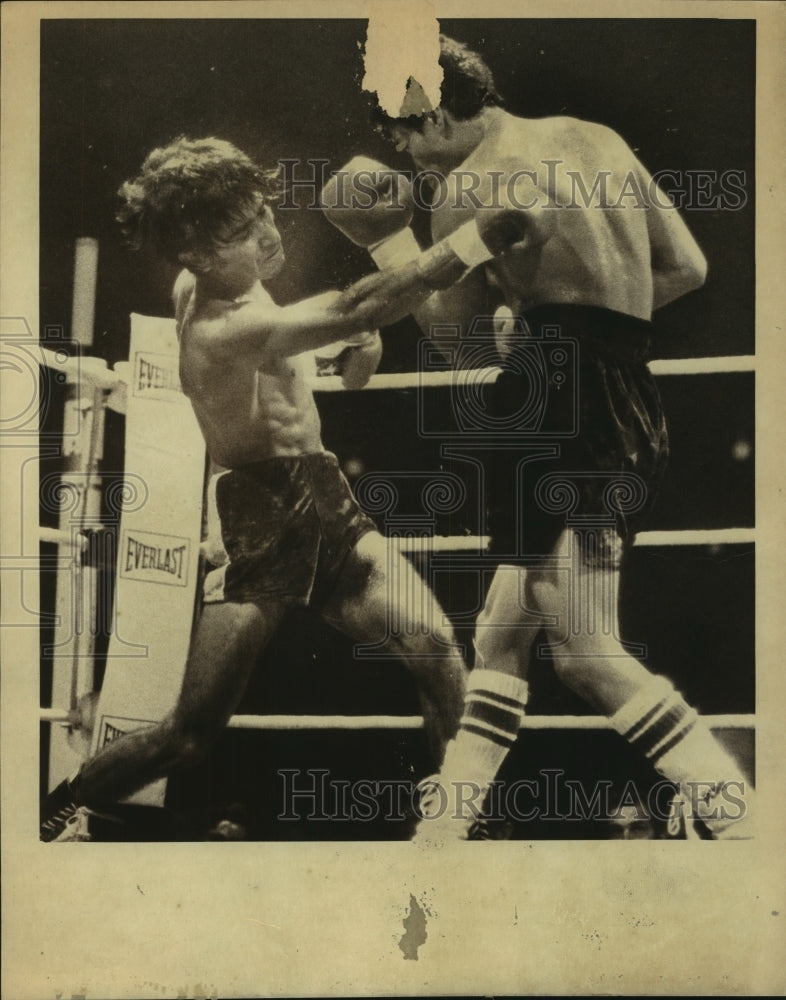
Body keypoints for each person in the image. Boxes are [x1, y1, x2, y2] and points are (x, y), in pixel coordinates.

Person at [41, 135, 533, 842]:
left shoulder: (226, 285)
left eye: (264, 213)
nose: (270, 234)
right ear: (198, 256)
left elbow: (300, 347)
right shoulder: (218, 324)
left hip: (325, 495)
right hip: (263, 514)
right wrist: (470, 242)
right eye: (245, 233)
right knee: (190, 731)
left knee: (434, 645)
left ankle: (459, 825)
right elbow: (352, 309)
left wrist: (332, 349)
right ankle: (65, 808)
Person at [324, 36, 753, 840]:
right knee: (501, 634)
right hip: (628, 392)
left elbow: (458, 343)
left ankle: (741, 817)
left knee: (586, 652)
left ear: (437, 115)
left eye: (409, 139)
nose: (413, 161)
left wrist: (389, 238)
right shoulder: (599, 139)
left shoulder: (470, 186)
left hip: (555, 402)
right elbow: (687, 267)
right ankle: (445, 834)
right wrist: (580, 321)